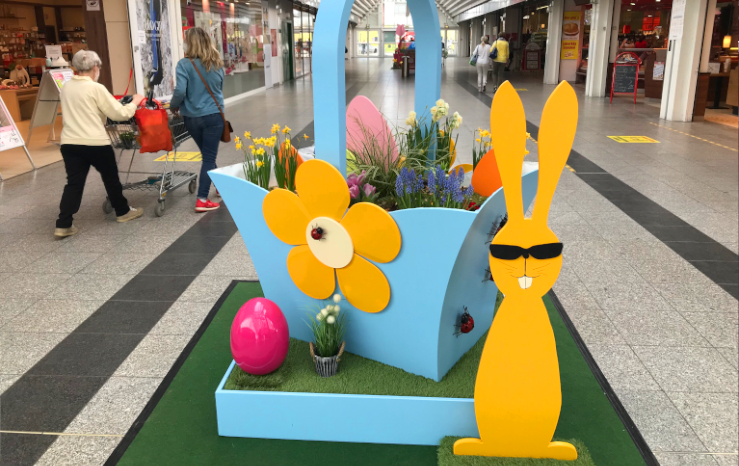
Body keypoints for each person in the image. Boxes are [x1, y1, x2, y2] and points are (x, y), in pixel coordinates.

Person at [55, 50, 145, 238]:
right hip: (95, 143)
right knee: (110, 178)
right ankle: (122, 211)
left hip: (70, 143)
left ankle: (63, 224)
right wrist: (135, 101)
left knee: (74, 183)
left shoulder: (66, 87)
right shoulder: (96, 88)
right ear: (95, 67)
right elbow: (120, 114)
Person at [170, 27, 226, 213]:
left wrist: (173, 105)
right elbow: (219, 89)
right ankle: (202, 199)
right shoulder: (217, 64)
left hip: (192, 118)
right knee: (209, 156)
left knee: (207, 154)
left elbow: (180, 91)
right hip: (214, 116)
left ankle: (219, 186)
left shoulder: (183, 65)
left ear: (190, 43)